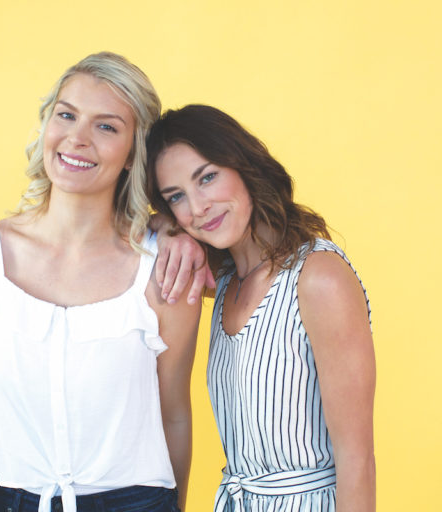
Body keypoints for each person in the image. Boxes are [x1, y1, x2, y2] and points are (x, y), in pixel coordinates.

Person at [0, 52, 201, 512]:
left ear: (131, 154)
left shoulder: (163, 268)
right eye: (66, 115)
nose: (77, 138)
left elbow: (175, 415)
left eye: (106, 127)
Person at [146, 105, 376, 511]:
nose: (197, 208)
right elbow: (118, 225)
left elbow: (356, 462)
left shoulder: (317, 278)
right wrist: (166, 231)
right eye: (177, 197)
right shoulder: (225, 281)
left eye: (208, 178)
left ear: (243, 165)